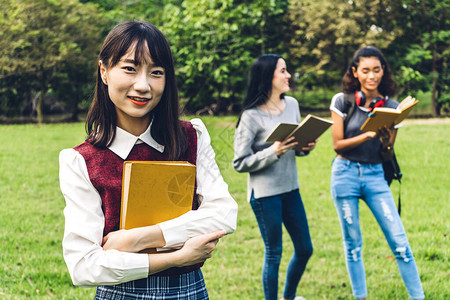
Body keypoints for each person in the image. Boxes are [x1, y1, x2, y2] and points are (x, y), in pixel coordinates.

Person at [59, 21, 238, 299]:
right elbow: (84, 266)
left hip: (190, 291)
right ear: (104, 71)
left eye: (156, 72)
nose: (142, 85)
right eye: (130, 68)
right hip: (119, 293)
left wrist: (139, 238)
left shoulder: (192, 136)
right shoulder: (81, 160)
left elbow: (224, 214)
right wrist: (174, 257)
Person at [329, 46, 424, 300]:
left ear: (384, 71)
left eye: (377, 70)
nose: (372, 76)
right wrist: (368, 133)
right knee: (353, 246)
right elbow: (337, 144)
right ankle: (361, 297)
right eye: (366, 70)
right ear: (355, 72)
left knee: (400, 242)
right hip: (344, 174)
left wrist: (385, 141)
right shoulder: (342, 101)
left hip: (375, 176)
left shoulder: (392, 107)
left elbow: (388, 155)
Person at [233, 54, 315, 300]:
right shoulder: (251, 116)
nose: (288, 75)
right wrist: (273, 151)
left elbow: (296, 147)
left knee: (304, 249)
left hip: (291, 188)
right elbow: (239, 162)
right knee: (274, 253)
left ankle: (287, 297)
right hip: (265, 195)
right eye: (283, 71)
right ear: (268, 76)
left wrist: (305, 147)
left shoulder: (292, 105)